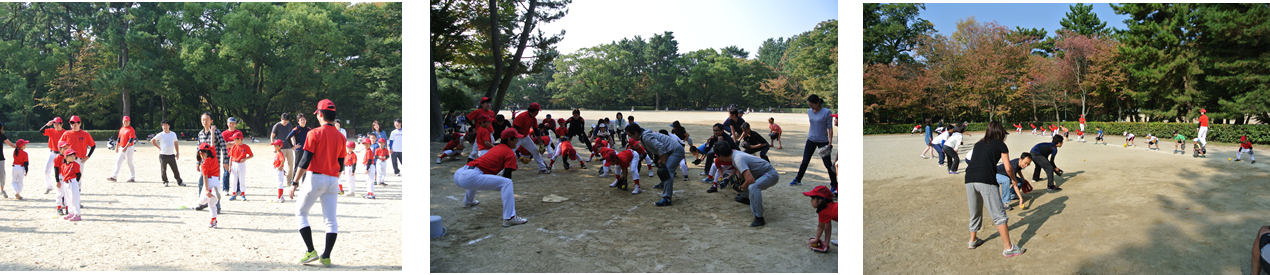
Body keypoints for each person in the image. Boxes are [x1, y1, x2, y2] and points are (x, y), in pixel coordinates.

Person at [288, 99, 348, 267]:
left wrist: (294, 182)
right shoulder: (341, 136)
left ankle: (310, 250)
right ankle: (326, 255)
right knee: (330, 220)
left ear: (320, 114)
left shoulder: (314, 133)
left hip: (315, 178)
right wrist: (335, 178)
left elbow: (305, 160)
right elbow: (341, 163)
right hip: (333, 179)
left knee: (301, 213)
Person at [962, 121, 1025, 257]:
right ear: (1000, 132)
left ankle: (972, 240)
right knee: (999, 215)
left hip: (969, 179)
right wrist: (1014, 180)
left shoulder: (978, 143)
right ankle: (1009, 248)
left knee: (975, 211)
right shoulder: (1001, 144)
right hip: (986, 180)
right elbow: (1008, 168)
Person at [453, 128, 528, 227]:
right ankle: (509, 218)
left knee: (479, 176)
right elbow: (507, 176)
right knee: (507, 183)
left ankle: (468, 201)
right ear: (509, 139)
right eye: (515, 139)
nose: (517, 141)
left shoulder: (496, 147)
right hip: (469, 177)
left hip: (460, 173)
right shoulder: (509, 153)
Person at [715, 141, 779, 226]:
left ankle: (759, 218)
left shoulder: (738, 159)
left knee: (753, 187)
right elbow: (740, 171)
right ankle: (744, 197)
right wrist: (733, 179)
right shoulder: (734, 154)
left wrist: (740, 188)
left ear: (721, 156)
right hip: (760, 174)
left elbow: (750, 180)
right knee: (744, 181)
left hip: (770, 174)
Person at [628, 123, 684, 207]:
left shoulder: (646, 137)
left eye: (631, 135)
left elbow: (660, 147)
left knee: (667, 171)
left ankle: (667, 199)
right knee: (663, 168)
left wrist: (663, 162)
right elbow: (656, 148)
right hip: (670, 150)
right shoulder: (643, 136)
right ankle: (663, 183)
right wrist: (661, 159)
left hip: (676, 150)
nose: (631, 138)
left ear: (636, 133)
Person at [789, 95, 835, 189]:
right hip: (811, 139)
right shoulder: (809, 111)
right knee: (805, 161)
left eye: (811, 105)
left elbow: (830, 128)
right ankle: (798, 179)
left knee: (827, 164)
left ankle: (834, 184)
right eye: (809, 105)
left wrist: (830, 142)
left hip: (823, 141)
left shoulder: (827, 112)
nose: (810, 107)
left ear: (817, 103)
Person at [58, 116, 95, 209]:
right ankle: (64, 201)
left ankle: (76, 201)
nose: (73, 125)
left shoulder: (85, 134)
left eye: (75, 123)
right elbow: (60, 145)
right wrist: (63, 157)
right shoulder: (67, 133)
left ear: (79, 123)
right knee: (66, 179)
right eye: (72, 123)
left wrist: (88, 157)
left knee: (78, 181)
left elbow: (93, 145)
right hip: (68, 160)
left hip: (79, 160)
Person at [193, 113, 226, 213]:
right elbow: (198, 149)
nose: (204, 122)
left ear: (212, 121)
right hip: (204, 164)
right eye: (203, 120)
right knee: (200, 182)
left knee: (215, 185)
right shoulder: (200, 134)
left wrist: (225, 161)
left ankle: (217, 206)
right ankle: (203, 202)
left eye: (207, 119)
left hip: (214, 164)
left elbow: (223, 146)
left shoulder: (216, 132)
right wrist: (197, 162)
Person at [513, 103, 550, 173]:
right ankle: (501, 171)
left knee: (535, 151)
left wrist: (541, 143)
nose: (538, 112)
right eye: (538, 111)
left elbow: (536, 131)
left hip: (525, 137)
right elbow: (514, 129)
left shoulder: (533, 119)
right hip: (516, 137)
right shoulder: (522, 116)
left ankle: (542, 168)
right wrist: (512, 140)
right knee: (509, 153)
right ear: (535, 111)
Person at [193, 142, 221, 228]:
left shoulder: (204, 164)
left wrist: (206, 190)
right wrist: (212, 131)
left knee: (202, 201)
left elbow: (205, 177)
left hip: (210, 182)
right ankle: (213, 222)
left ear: (200, 153)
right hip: (217, 182)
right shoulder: (214, 155)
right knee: (212, 205)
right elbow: (212, 143)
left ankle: (212, 193)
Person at [803, 185, 837, 250]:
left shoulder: (824, 211)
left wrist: (816, 240)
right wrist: (826, 243)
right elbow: (827, 226)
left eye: (813, 199)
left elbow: (820, 227)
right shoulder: (829, 207)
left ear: (820, 200)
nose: (811, 201)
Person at [150, 120, 184, 187]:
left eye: (166, 125)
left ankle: (179, 181)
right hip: (163, 155)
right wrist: (158, 147)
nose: (165, 127)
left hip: (171, 155)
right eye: (163, 125)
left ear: (169, 126)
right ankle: (165, 181)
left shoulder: (173, 134)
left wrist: (177, 152)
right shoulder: (160, 134)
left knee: (175, 169)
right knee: (163, 170)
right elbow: (152, 141)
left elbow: (176, 143)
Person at [38, 117, 66, 194]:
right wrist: (47, 124)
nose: (56, 125)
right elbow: (41, 131)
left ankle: (65, 186)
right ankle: (48, 186)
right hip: (52, 153)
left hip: (62, 154)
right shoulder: (51, 131)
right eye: (55, 124)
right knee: (46, 170)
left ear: (61, 124)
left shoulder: (65, 132)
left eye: (58, 124)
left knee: (63, 171)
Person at [271, 113, 298, 186]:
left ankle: (289, 181)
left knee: (290, 165)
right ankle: (280, 180)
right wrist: (274, 147)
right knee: (279, 165)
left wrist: (293, 145)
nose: (286, 123)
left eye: (287, 122)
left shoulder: (289, 125)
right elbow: (272, 136)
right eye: (284, 121)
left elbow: (292, 135)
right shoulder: (277, 126)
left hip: (289, 147)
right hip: (280, 148)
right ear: (281, 119)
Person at [108, 116, 137, 182]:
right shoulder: (121, 129)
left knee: (129, 162)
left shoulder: (131, 129)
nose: (125, 122)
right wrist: (117, 146)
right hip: (122, 147)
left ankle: (132, 177)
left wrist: (126, 147)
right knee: (118, 162)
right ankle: (114, 176)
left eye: (127, 121)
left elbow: (131, 140)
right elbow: (119, 138)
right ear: (122, 121)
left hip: (129, 148)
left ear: (129, 122)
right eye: (124, 121)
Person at [57, 148, 83, 221]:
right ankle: (71, 213)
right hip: (66, 183)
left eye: (73, 155)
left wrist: (75, 182)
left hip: (73, 182)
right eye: (70, 156)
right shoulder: (63, 165)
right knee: (68, 199)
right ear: (66, 157)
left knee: (74, 199)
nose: (72, 157)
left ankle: (77, 214)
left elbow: (78, 174)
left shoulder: (75, 164)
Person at [227, 132, 253, 201]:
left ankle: (243, 194)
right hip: (234, 163)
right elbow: (231, 157)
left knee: (242, 179)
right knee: (234, 180)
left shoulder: (246, 146)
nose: (234, 141)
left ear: (240, 139)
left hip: (241, 164)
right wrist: (230, 167)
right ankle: (233, 194)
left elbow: (251, 155)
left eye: (235, 139)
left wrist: (245, 158)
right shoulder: (234, 147)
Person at [289, 114, 314, 184]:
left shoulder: (309, 129)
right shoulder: (296, 129)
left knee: (306, 166)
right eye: (301, 120)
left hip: (307, 150)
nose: (303, 121)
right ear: (298, 121)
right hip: (299, 150)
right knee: (297, 166)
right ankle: (294, 182)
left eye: (304, 119)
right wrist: (293, 146)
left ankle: (304, 182)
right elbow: (288, 137)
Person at [0, 123, 13, 198]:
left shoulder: (2, 136)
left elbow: (10, 144)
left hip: (0, 158)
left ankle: (2, 190)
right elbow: (11, 144)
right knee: (2, 175)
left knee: (2, 175)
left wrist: (18, 147)